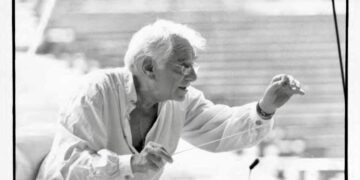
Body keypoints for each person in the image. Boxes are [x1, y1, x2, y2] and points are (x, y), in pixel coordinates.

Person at [36, 19, 305, 180]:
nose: (193, 76)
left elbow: (222, 130)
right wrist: (131, 164)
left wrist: (266, 107)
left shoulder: (179, 101)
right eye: (182, 66)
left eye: (193, 65)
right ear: (149, 67)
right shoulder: (96, 91)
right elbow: (67, 168)